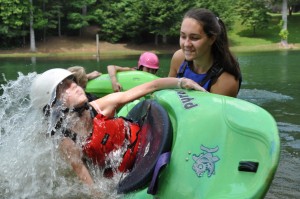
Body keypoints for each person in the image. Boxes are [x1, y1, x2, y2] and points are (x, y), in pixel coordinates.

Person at [30, 68, 205, 189]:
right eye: (65, 87)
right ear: (55, 105)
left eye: (72, 81)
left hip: (146, 140)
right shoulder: (68, 143)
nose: (74, 85)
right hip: (128, 172)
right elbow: (90, 186)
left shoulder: (100, 107)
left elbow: (150, 87)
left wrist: (182, 82)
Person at [168, 8, 242, 97]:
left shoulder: (225, 80)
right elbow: (168, 92)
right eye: (183, 36)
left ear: (212, 39)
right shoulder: (179, 58)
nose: (186, 44)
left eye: (194, 38)